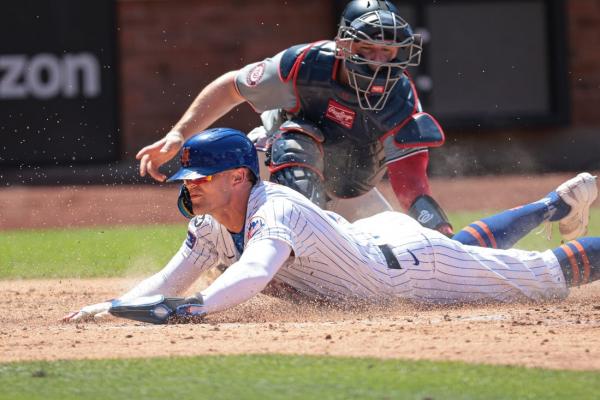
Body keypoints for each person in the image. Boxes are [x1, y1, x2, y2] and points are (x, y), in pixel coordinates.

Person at [64, 128, 599, 324]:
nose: (191, 185)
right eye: (189, 177)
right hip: (384, 244)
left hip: (414, 272)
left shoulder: (274, 209)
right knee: (476, 258)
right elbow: (170, 280)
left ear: (236, 177)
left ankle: (556, 205)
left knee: (546, 276)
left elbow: (254, 271)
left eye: (201, 176)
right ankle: (554, 205)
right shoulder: (211, 224)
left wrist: (198, 309)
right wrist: (112, 307)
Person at [135, 0, 454, 235]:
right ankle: (225, 241)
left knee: (395, 251)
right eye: (368, 48)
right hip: (272, 165)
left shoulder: (401, 99)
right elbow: (231, 87)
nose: (379, 61)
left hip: (347, 190)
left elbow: (411, 186)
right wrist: (178, 134)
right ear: (343, 44)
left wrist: (440, 234)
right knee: (295, 142)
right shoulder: (305, 66)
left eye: (388, 51)